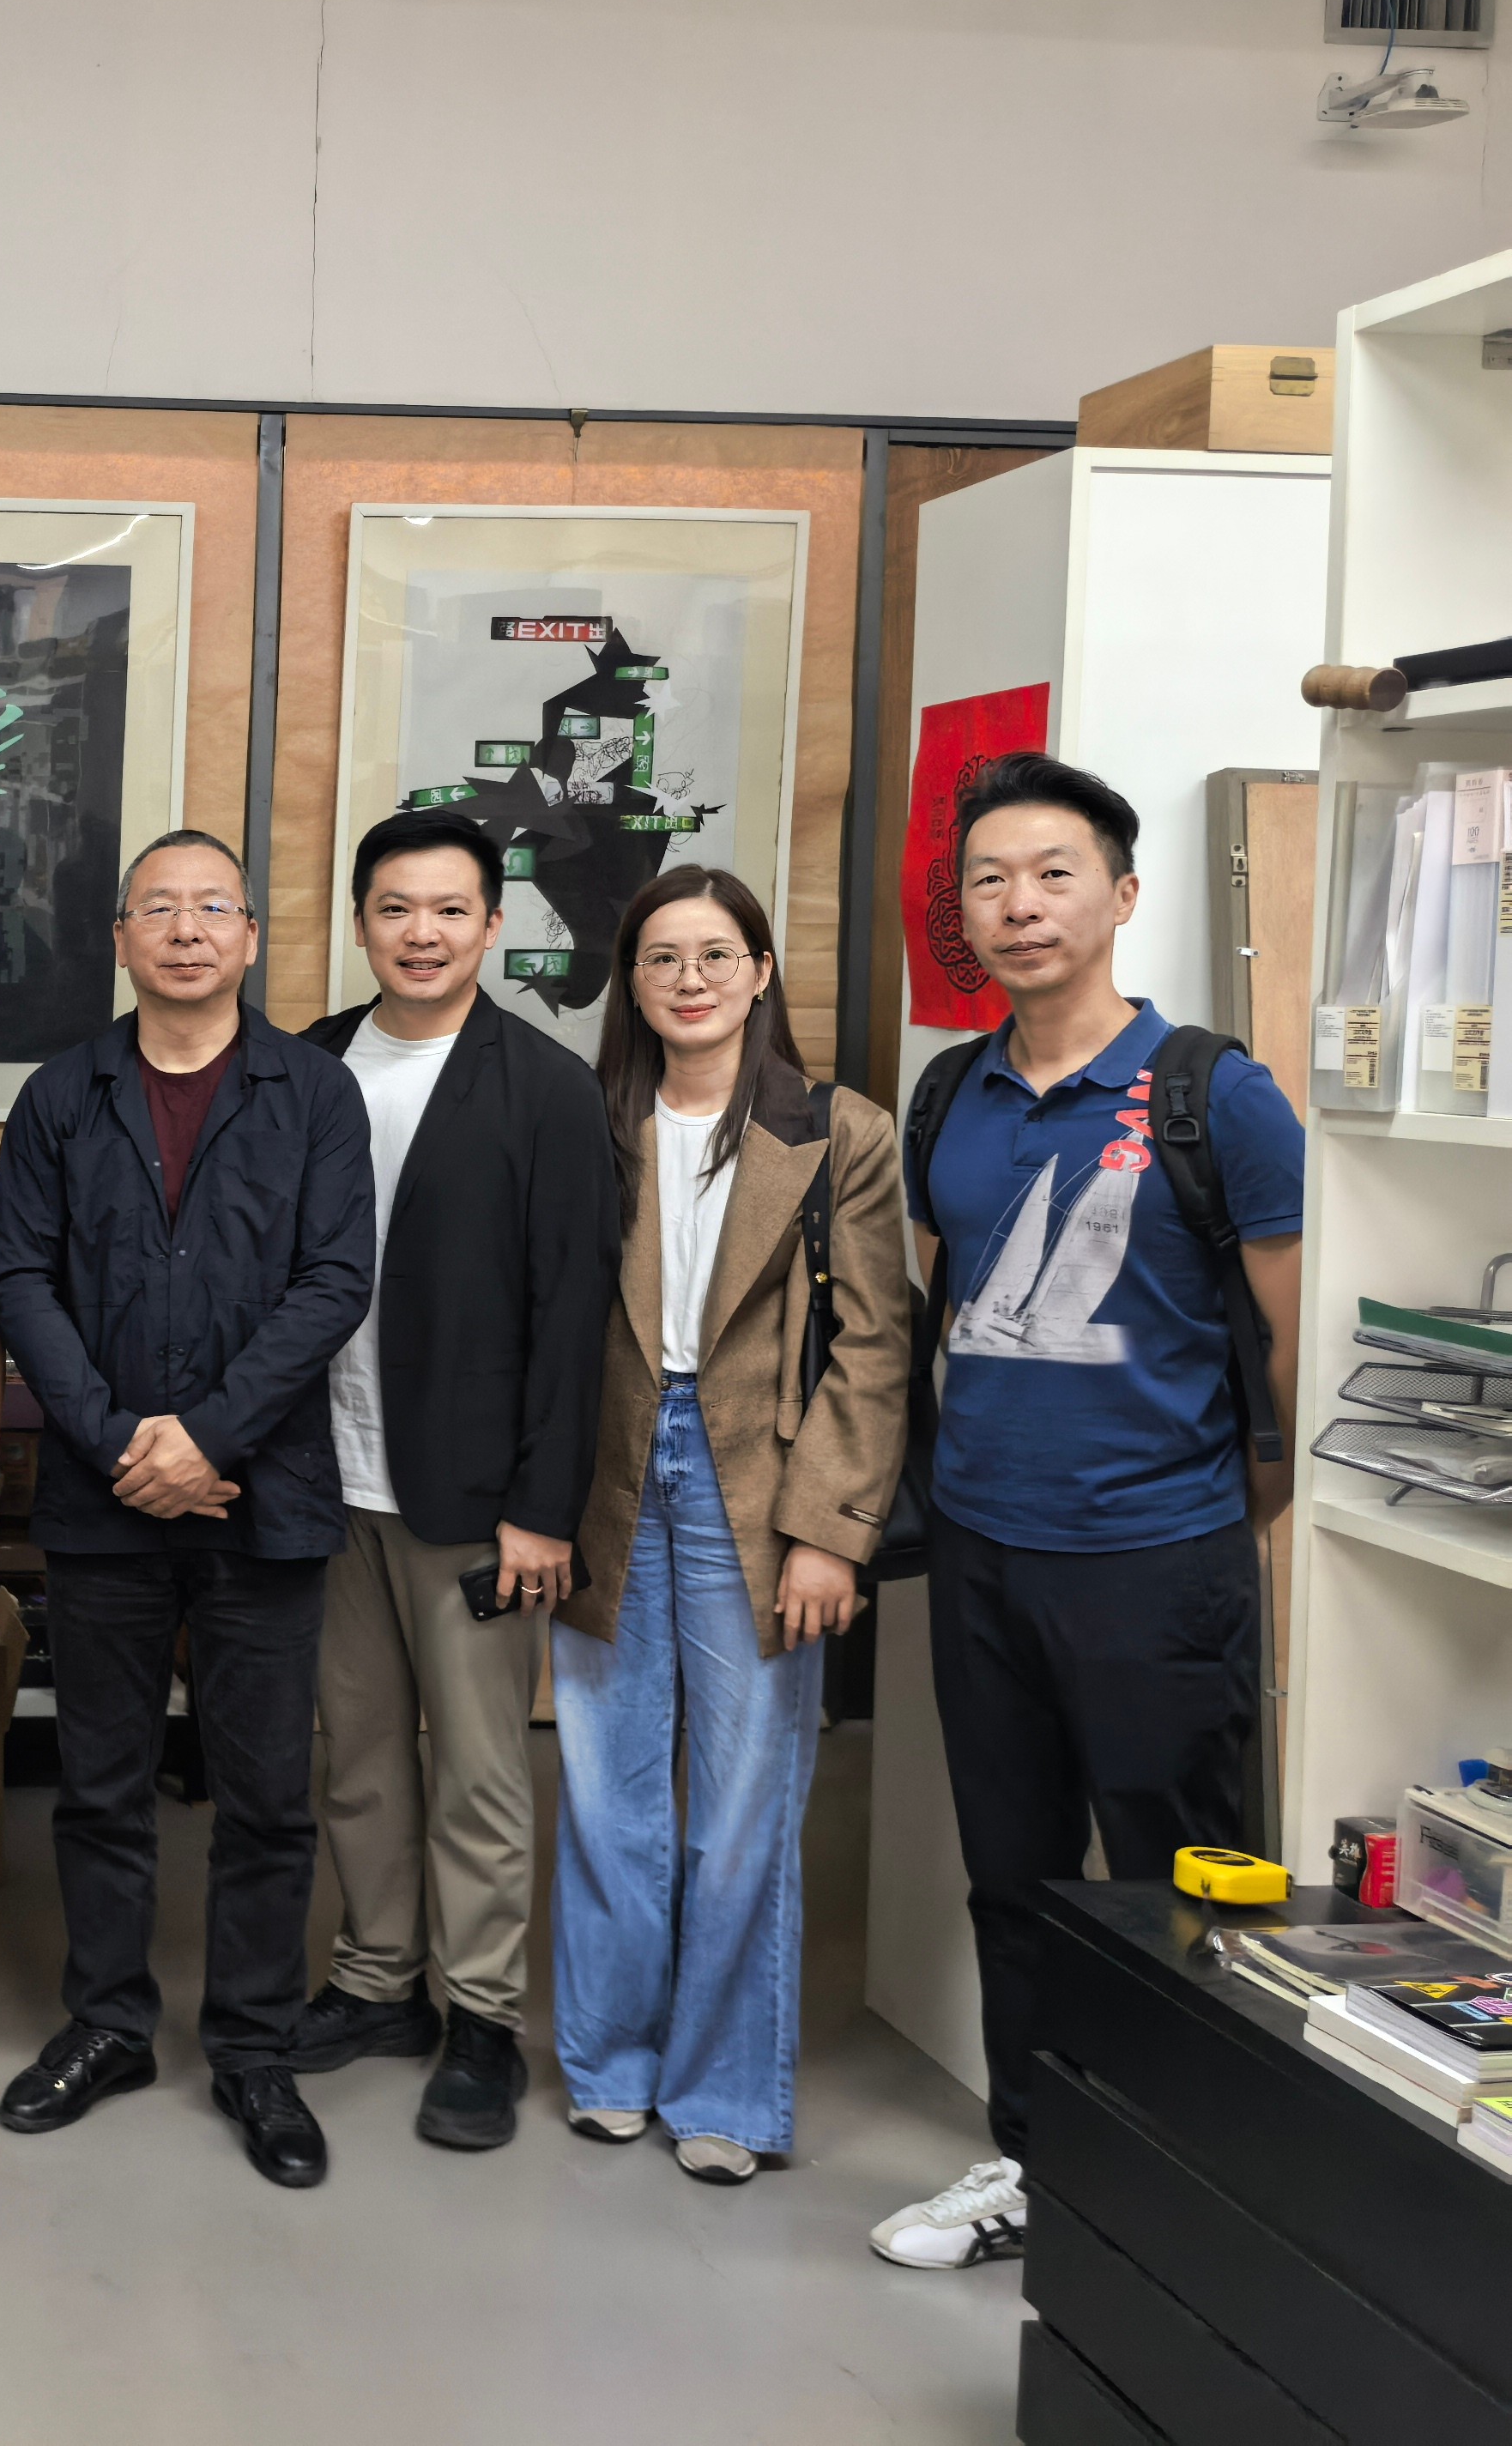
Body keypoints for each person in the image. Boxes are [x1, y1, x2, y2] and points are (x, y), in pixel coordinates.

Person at [870, 752, 1301, 2270]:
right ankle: (1038, 2167)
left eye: (1054, 874)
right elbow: (946, 1310)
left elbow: (1283, 1345)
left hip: (1156, 1562)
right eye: (989, 880)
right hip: (986, 1551)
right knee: (1015, 1881)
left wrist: (1224, 1515)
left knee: (1186, 1888)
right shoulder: (950, 1093)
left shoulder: (1214, 1095)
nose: (1020, 904)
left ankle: (1194, 2194)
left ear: (1122, 896)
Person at [0, 829, 375, 2189]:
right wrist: (118, 1443)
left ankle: (255, 2048)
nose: (189, 929)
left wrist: (206, 1437)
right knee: (100, 1785)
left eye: (215, 907)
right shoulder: (61, 1095)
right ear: (121, 939)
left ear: (251, 936)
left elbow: (334, 1281)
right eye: (161, 907)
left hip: (263, 1495)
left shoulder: (314, 1092)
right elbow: (19, 1277)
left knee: (265, 1792)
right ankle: (108, 2023)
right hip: (105, 1506)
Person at [552, 867, 906, 2187]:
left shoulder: (839, 1130)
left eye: (716, 954)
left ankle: (724, 2093)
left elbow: (874, 1343)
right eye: (661, 957)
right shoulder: (589, 1119)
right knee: (607, 1787)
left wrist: (831, 1532)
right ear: (631, 983)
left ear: (760, 971)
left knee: (746, 1802)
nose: (689, 979)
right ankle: (610, 2064)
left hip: (761, 1483)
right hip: (607, 1474)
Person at [293, 809, 614, 2152]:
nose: (419, 934)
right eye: (394, 908)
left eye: (447, 910)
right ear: (361, 922)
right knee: (358, 1756)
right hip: (324, 1480)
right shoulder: (305, 1063)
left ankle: (482, 2013)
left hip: (475, 1499)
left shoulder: (546, 1089)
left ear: (491, 925)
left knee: (482, 1770)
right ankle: (378, 1982)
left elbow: (574, 1315)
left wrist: (543, 1508)